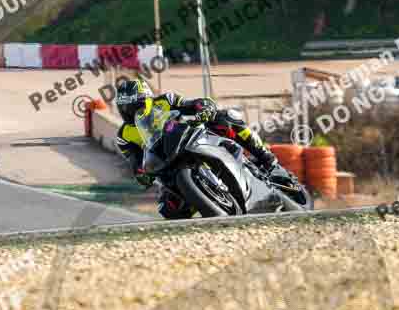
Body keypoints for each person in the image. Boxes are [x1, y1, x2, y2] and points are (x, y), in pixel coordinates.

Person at [114, 79, 278, 218]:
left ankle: (266, 158)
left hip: (188, 139)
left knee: (226, 118)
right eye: (125, 108)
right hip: (167, 166)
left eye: (135, 106)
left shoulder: (166, 101)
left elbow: (191, 104)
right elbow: (135, 162)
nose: (130, 112)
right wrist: (141, 174)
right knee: (167, 209)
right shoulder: (124, 136)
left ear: (148, 99)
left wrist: (203, 107)